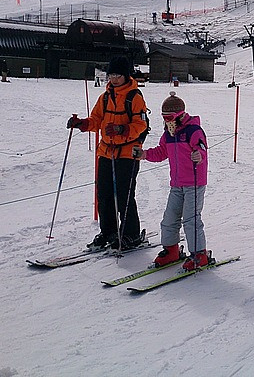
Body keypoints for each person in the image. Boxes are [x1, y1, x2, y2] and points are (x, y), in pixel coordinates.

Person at [67, 56, 150, 249]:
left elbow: (141, 124)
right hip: (106, 151)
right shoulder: (104, 97)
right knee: (103, 194)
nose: (113, 79)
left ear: (126, 75)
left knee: (124, 195)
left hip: (128, 153)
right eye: (111, 74)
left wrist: (122, 130)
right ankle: (109, 232)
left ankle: (131, 233)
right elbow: (96, 120)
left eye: (118, 75)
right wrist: (82, 124)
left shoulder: (134, 97)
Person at [137, 92, 211, 271]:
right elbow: (162, 152)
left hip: (194, 182)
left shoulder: (193, 131)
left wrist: (198, 156)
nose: (166, 121)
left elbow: (201, 149)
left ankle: (199, 254)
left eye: (169, 117)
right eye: (164, 118)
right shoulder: (169, 134)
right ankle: (171, 250)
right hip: (176, 184)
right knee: (170, 218)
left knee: (191, 219)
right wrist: (145, 154)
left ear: (180, 115)